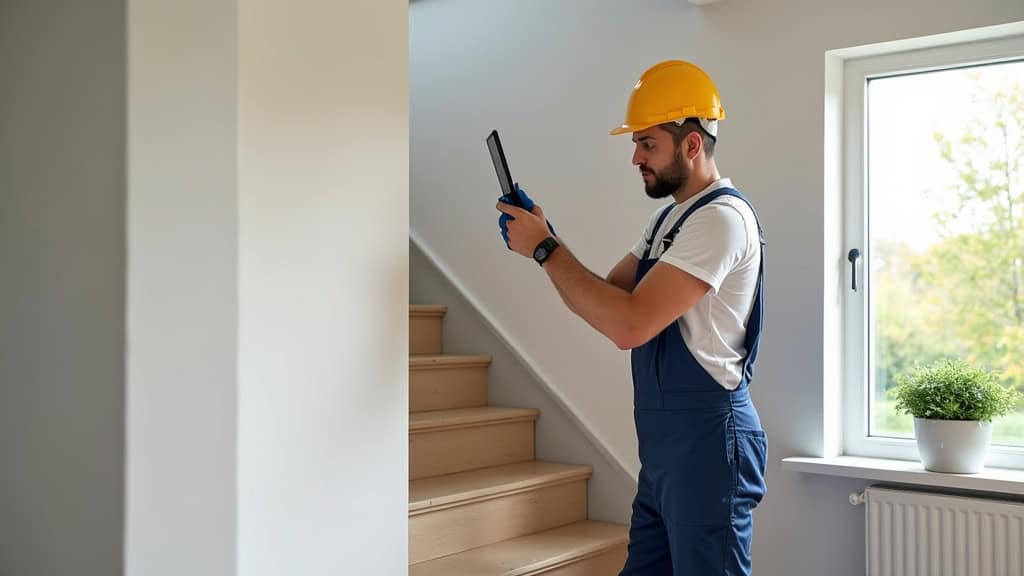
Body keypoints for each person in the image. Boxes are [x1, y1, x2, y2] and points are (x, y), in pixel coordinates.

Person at [495, 59, 768, 575]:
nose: (635, 157)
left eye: (648, 144)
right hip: (667, 450)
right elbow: (603, 299)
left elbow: (629, 326)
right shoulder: (670, 218)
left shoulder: (721, 221)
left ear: (691, 145)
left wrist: (547, 249)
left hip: (709, 444)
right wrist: (543, 239)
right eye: (636, 143)